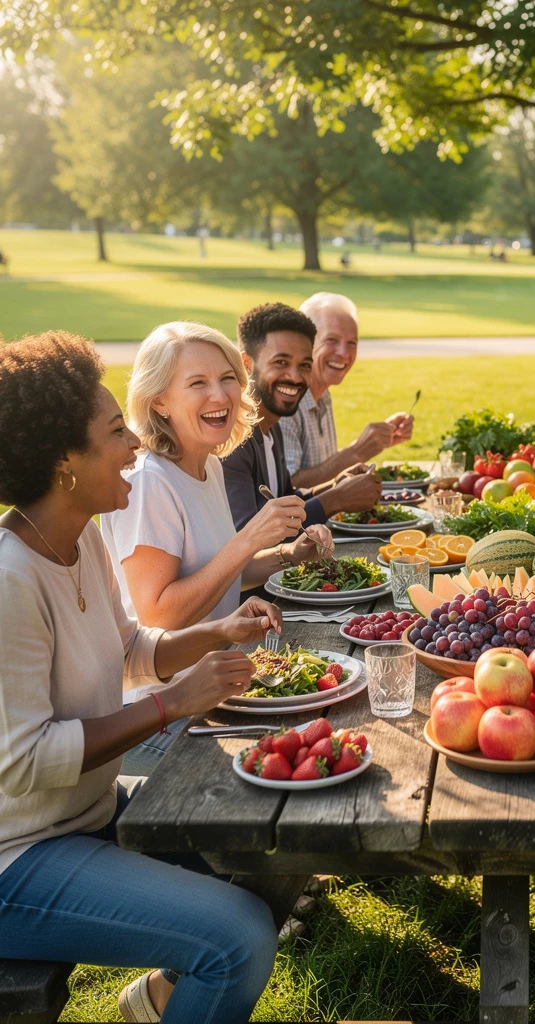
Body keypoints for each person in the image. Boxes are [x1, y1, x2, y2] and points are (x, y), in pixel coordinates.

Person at [0, 331, 281, 1023]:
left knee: (268, 846)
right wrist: (173, 705)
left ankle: (153, 1004)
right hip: (19, 855)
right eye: (114, 431)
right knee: (237, 938)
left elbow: (128, 648)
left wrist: (216, 632)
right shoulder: (10, 581)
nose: (133, 444)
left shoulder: (80, 532)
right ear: (64, 460)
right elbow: (24, 759)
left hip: (85, 811)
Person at [100, 322, 333, 773]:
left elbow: (218, 572)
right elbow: (159, 614)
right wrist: (248, 539)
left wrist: (288, 554)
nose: (220, 396)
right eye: (198, 383)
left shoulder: (204, 465)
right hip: (161, 715)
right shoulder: (148, 482)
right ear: (159, 400)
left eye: (227, 379)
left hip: (220, 689)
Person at [222, 302, 382, 535]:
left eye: (304, 365)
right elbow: (250, 536)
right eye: (281, 363)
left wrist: (335, 485)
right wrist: (335, 499)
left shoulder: (270, 425)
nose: (295, 377)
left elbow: (285, 499)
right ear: (246, 364)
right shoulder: (233, 439)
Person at [277, 292, 414, 489]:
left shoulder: (322, 394)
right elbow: (289, 486)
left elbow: (322, 468)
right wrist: (357, 451)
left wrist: (373, 443)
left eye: (352, 343)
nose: (344, 353)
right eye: (331, 340)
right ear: (305, 343)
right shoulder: (287, 402)